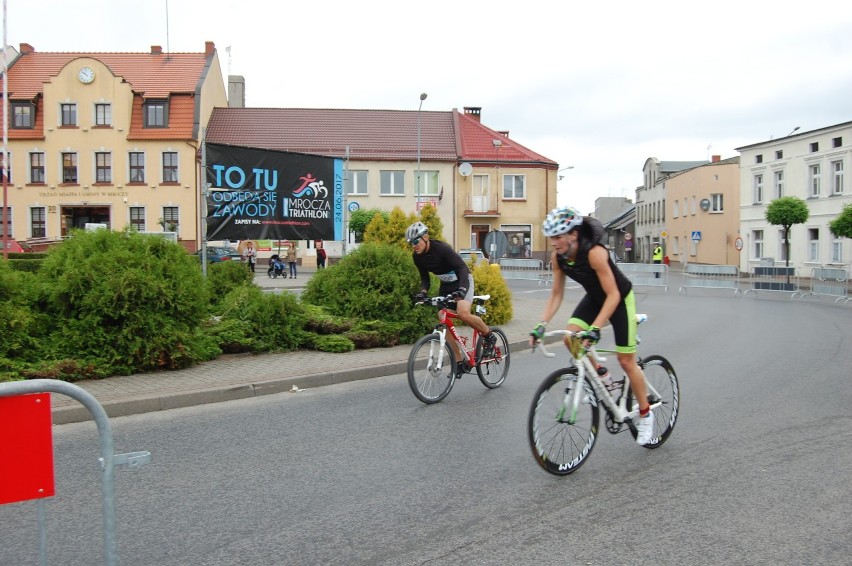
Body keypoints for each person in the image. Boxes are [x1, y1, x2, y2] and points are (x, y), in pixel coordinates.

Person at [528, 206, 655, 445]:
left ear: (573, 234)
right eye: (551, 237)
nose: (553, 243)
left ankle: (646, 414)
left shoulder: (595, 253)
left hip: (619, 298)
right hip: (595, 299)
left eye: (557, 237)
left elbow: (613, 295)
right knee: (570, 338)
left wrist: (595, 328)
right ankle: (603, 377)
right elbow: (556, 294)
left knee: (626, 360)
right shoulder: (559, 258)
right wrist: (541, 324)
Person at [406, 221, 497, 375]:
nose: (414, 245)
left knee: (463, 313)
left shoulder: (441, 249)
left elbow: (462, 267)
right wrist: (423, 291)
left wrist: (461, 290)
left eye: (416, 241)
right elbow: (425, 278)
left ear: (425, 237)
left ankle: (489, 336)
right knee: (443, 319)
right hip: (446, 285)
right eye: (411, 243)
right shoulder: (417, 257)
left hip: (463, 280)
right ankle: (459, 362)